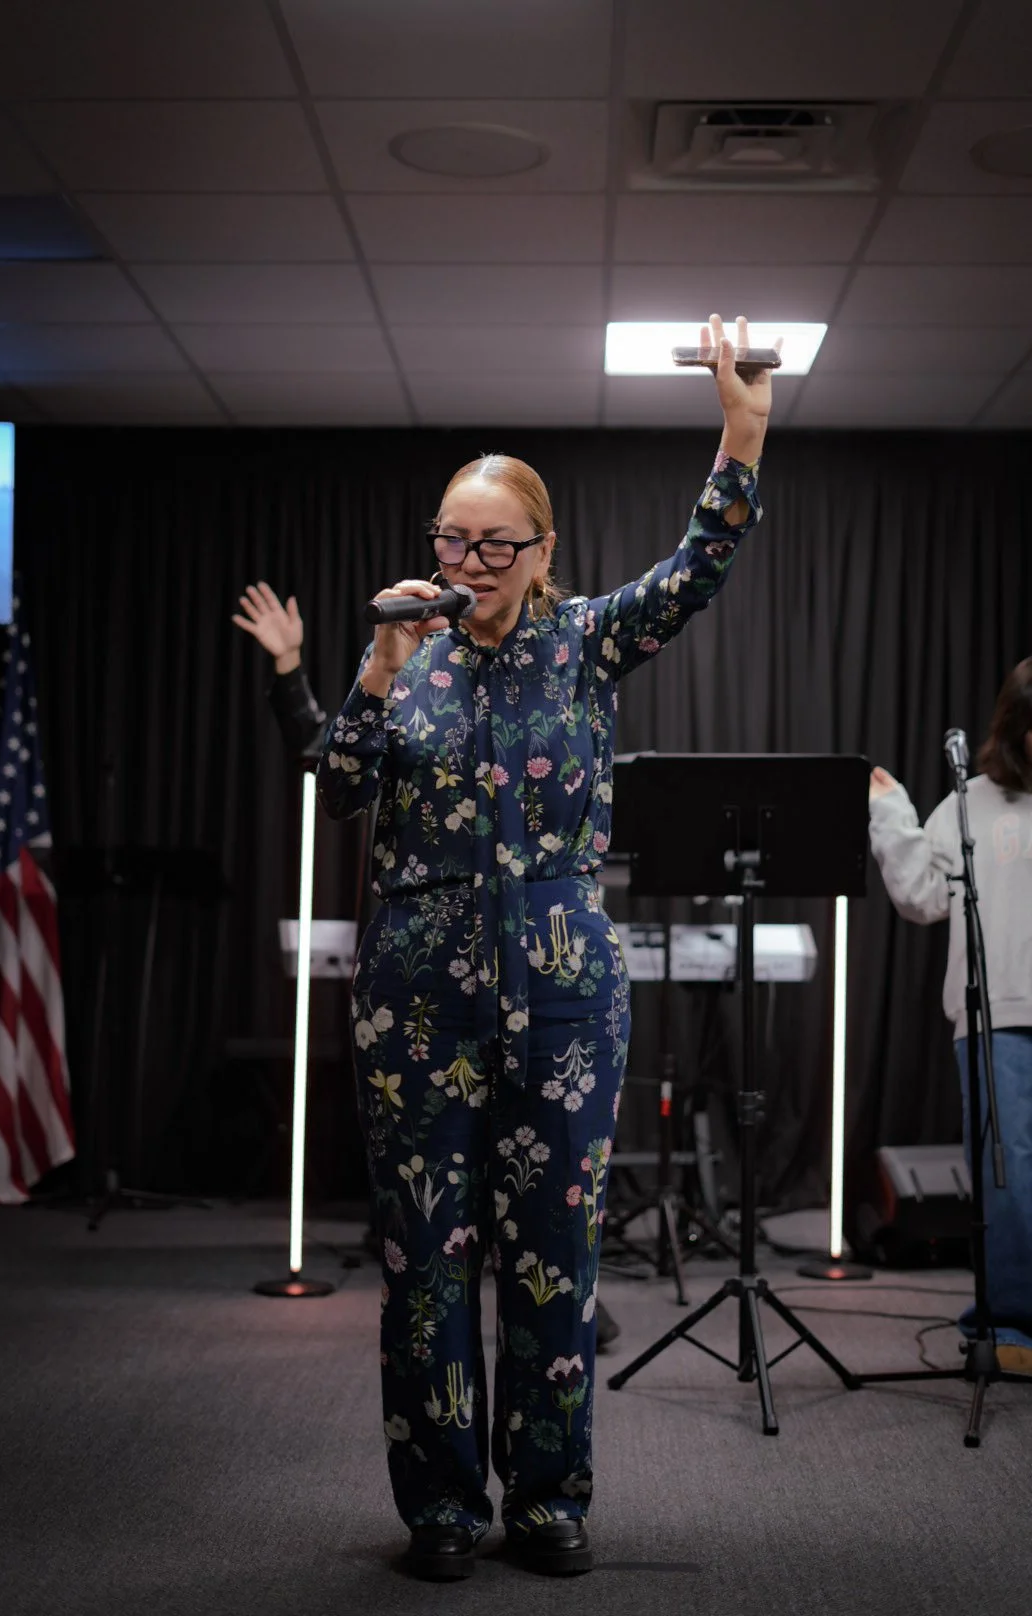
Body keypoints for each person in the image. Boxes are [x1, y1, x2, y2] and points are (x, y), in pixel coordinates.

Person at [236, 314, 773, 1580]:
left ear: (541, 554)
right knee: (426, 1259)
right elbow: (339, 783)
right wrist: (370, 658)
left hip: (567, 994)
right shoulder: (405, 660)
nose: (468, 560)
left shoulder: (586, 641)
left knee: (553, 1253)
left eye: (494, 544)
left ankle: (546, 1496)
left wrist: (741, 424)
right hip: (416, 994)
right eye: (451, 540)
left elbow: (701, 562)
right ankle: (441, 1506)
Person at [868, 657, 1032, 1374]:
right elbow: (924, 897)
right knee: (1009, 1173)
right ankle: (1011, 1325)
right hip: (1001, 1014)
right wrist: (893, 812)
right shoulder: (974, 803)